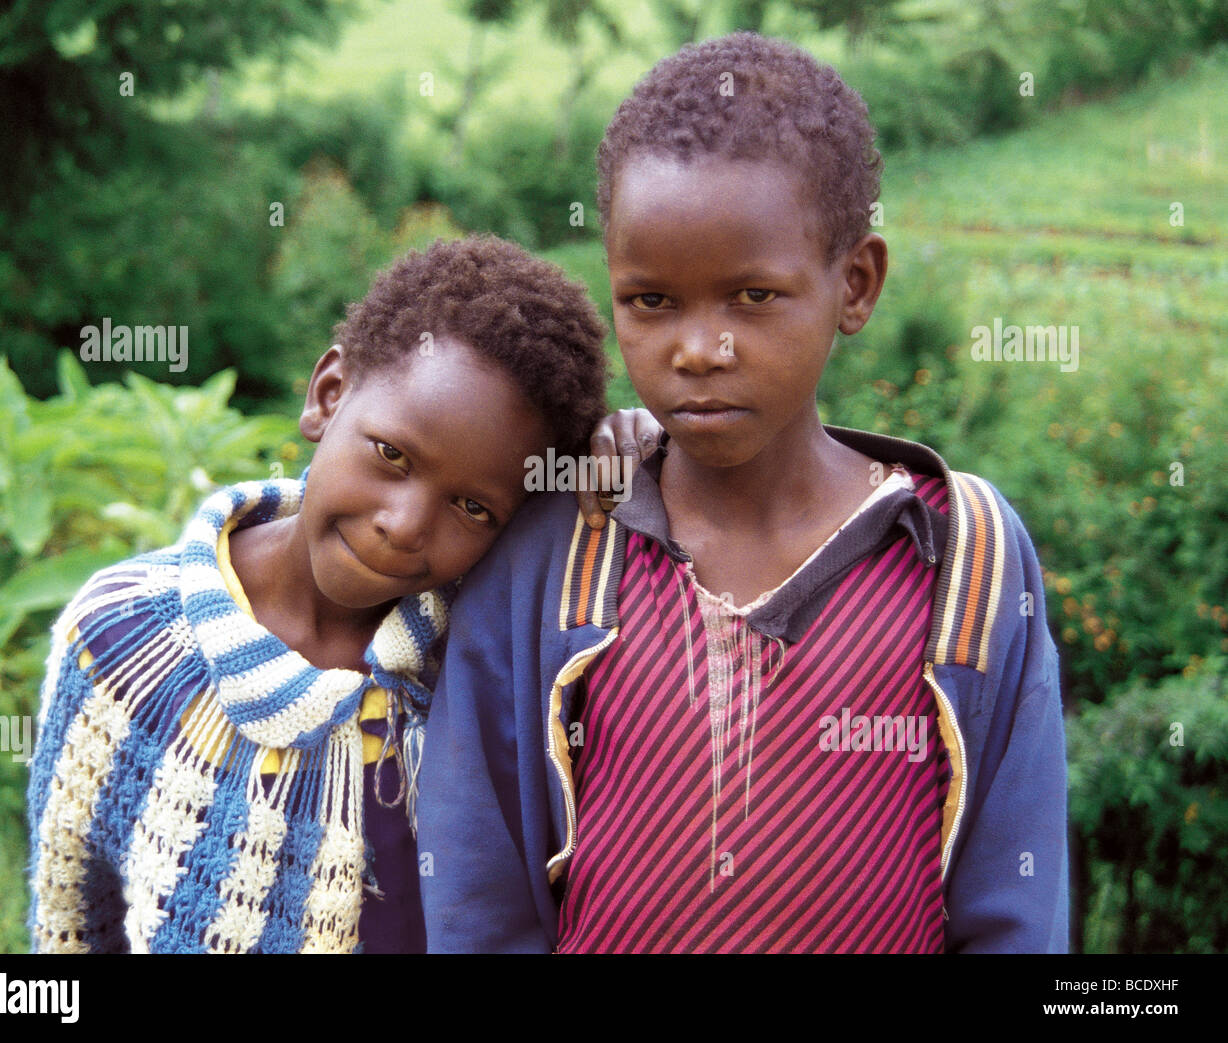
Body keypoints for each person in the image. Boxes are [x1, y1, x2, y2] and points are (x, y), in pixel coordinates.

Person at [416, 33, 1069, 953]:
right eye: (650, 302)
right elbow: (476, 893)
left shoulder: (965, 560)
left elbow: (1017, 904)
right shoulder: (555, 547)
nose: (699, 348)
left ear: (856, 283)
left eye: (753, 297)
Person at [27, 234, 655, 953]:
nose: (403, 525)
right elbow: (72, 926)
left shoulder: (485, 672)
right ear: (328, 395)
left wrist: (639, 448)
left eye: (472, 508)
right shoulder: (120, 640)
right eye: (391, 454)